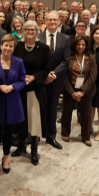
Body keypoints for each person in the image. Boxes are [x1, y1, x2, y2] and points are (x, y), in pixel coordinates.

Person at [13, 21, 51, 165]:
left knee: (35, 120)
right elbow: (12, 65)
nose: (30, 31)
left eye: (33, 29)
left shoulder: (44, 48)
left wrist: (34, 77)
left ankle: (34, 149)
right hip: (21, 88)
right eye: (27, 29)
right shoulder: (17, 47)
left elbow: (47, 68)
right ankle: (21, 145)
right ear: (22, 31)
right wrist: (22, 77)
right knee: (21, 119)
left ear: (37, 31)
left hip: (36, 88)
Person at [0, 34, 25, 174]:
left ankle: (5, 158)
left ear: (14, 47)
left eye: (11, 46)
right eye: (6, 45)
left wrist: (12, 87)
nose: (8, 48)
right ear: (1, 45)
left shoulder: (19, 62)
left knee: (9, 133)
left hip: (12, 100)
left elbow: (22, 80)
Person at [39, 11, 69, 150]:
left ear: (59, 21)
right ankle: (35, 135)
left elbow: (66, 60)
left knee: (52, 108)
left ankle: (51, 136)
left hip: (56, 80)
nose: (52, 22)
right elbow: (35, 60)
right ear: (45, 20)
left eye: (54, 20)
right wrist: (45, 75)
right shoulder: (38, 37)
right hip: (40, 80)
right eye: (49, 19)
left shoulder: (65, 38)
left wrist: (54, 74)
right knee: (38, 108)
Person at [61, 36, 98, 146]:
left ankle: (86, 136)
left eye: (83, 44)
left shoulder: (91, 58)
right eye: (78, 44)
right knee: (67, 112)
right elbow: (64, 75)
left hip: (86, 89)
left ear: (86, 46)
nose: (81, 47)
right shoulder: (69, 57)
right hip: (70, 88)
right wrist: (72, 92)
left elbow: (93, 76)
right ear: (74, 45)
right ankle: (65, 133)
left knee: (86, 114)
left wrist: (82, 92)